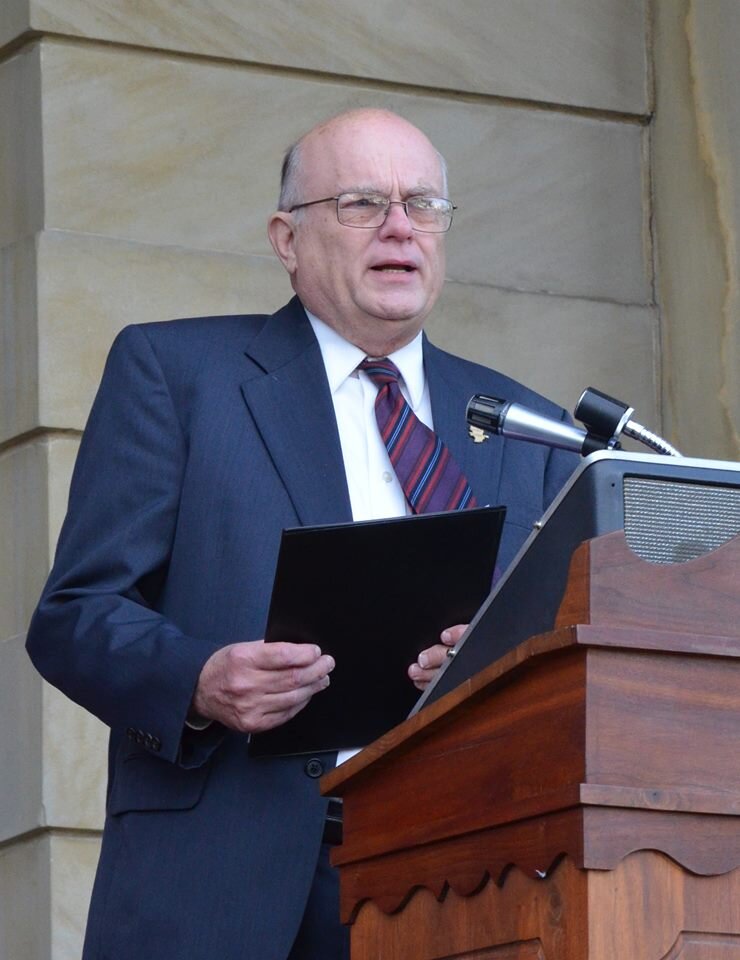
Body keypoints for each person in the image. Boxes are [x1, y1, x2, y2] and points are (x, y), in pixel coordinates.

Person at [26, 108, 578, 960]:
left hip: (460, 876)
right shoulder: (177, 376)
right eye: (363, 203)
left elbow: (558, 651)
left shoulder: (524, 425)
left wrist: (490, 661)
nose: (401, 227)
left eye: (424, 205)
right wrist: (200, 679)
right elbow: (74, 615)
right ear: (288, 239)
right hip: (225, 877)